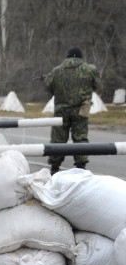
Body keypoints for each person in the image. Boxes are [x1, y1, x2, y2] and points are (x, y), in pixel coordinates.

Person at [44, 47, 101, 175]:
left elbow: (49, 88)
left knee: (58, 141)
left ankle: (54, 169)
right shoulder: (89, 70)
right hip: (81, 110)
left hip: (61, 111)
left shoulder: (56, 71)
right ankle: (81, 168)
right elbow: (97, 86)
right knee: (80, 139)